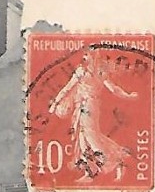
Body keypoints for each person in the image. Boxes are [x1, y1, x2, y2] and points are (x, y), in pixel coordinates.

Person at [48, 49, 139, 182]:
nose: (85, 58)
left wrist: (128, 96)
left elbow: (113, 88)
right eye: (85, 56)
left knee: (91, 138)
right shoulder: (85, 71)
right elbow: (67, 88)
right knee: (83, 138)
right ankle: (91, 171)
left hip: (89, 107)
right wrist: (55, 103)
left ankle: (116, 161)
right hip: (82, 107)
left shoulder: (96, 72)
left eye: (88, 56)